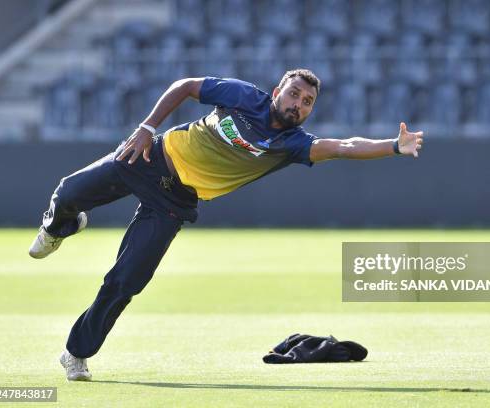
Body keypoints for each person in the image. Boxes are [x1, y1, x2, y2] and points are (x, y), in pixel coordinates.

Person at [28, 69, 424, 381]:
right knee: (68, 193)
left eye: (307, 102)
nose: (299, 104)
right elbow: (185, 86)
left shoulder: (293, 144)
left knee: (125, 282)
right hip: (150, 156)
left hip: (174, 200)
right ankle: (60, 228)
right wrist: (147, 128)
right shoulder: (242, 96)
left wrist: (393, 145)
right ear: (276, 92)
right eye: (293, 94)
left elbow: (344, 146)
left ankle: (76, 353)